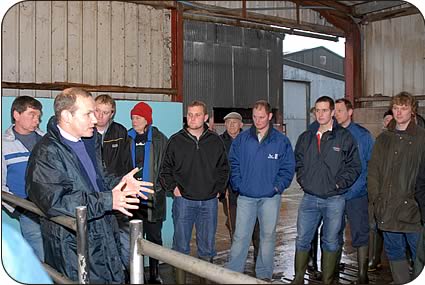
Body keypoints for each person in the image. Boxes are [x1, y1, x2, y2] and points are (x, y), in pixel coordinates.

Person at [26, 87, 154, 283]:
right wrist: (108, 200)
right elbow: (55, 201)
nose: (95, 119)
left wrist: (120, 183)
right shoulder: (46, 152)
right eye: (88, 114)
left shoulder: (88, 141)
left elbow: (97, 180)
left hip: (102, 234)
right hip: (72, 245)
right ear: (67, 116)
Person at [293, 96, 361, 285]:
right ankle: (298, 278)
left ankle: (328, 279)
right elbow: (297, 160)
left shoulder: (344, 137)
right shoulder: (306, 137)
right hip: (309, 198)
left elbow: (355, 166)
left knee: (330, 241)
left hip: (334, 199)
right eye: (317, 110)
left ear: (332, 112)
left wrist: (339, 184)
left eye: (324, 110)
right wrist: (303, 180)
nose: (320, 114)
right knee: (302, 239)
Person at [159, 100, 229, 283]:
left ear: (205, 117)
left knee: (207, 247)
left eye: (197, 114)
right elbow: (165, 169)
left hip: (209, 202)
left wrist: (219, 190)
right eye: (190, 114)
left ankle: (205, 280)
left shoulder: (215, 141)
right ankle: (180, 281)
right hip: (184, 202)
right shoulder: (175, 140)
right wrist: (173, 187)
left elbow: (224, 168)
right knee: (181, 245)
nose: (192, 118)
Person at [225, 100, 295, 281]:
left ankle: (264, 275)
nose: (257, 120)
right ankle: (233, 273)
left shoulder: (281, 141)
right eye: (255, 117)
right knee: (240, 236)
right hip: (246, 197)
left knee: (267, 237)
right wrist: (238, 184)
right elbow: (233, 163)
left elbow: (288, 167)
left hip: (270, 198)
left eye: (262, 117)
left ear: (270, 116)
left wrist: (277, 187)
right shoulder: (242, 140)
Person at [368, 91, 425, 284]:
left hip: (413, 211)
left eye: (404, 108)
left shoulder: (422, 139)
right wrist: (376, 200)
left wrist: (419, 203)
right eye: (396, 108)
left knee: (420, 253)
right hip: (388, 209)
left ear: (413, 111)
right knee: (394, 252)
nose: (399, 113)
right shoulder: (383, 139)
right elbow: (373, 172)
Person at [127, 101, 168, 284]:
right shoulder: (127, 138)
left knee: (153, 237)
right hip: (132, 197)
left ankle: (154, 272)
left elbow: (167, 166)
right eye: (133, 118)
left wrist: (160, 185)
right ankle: (135, 272)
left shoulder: (160, 139)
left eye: (138, 118)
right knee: (134, 237)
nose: (134, 121)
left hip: (153, 197)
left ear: (147, 119)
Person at [335, 98, 374, 284]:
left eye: (340, 110)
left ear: (350, 112)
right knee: (332, 232)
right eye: (335, 111)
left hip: (356, 194)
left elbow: (370, 165)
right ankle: (332, 269)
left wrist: (358, 188)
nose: (336, 114)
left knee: (360, 232)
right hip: (334, 194)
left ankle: (362, 275)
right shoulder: (330, 133)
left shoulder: (363, 136)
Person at [1, 96, 45, 261]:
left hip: (52, 208)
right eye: (32, 115)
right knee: (39, 256)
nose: (37, 120)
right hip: (28, 210)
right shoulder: (3, 145)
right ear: (16, 115)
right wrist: (18, 207)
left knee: (57, 256)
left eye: (38, 116)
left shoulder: (46, 140)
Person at [219, 112, 260, 263]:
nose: (231, 125)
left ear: (241, 125)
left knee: (256, 224)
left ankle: (258, 255)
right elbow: (217, 166)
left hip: (251, 191)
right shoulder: (219, 142)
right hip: (230, 193)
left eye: (234, 122)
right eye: (228, 122)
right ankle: (237, 258)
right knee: (234, 225)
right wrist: (221, 188)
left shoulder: (251, 140)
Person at [94, 94, 132, 177]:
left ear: (111, 114)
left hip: (115, 183)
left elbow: (127, 162)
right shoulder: (83, 131)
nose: (100, 116)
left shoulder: (120, 132)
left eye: (105, 112)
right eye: (97, 111)